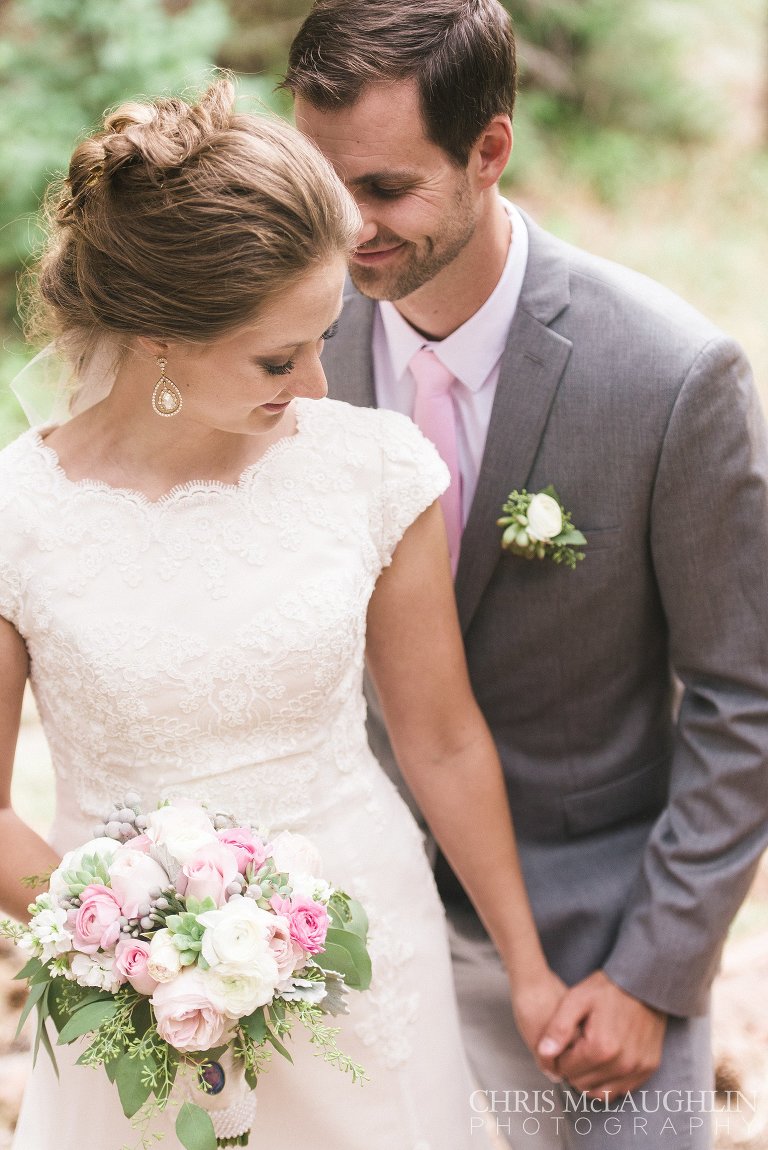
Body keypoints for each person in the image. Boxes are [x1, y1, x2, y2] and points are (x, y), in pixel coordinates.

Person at [0, 79, 568, 1150]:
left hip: (363, 950)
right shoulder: (16, 516)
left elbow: (441, 739)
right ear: (161, 336)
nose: (315, 385)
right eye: (278, 356)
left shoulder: (369, 470)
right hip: (131, 1000)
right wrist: (139, 947)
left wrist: (527, 969)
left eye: (325, 338)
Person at [282, 2, 768, 1146]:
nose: (347, 233)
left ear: (490, 149)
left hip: (595, 938)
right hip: (348, 914)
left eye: (387, 190)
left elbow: (746, 699)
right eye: (321, 183)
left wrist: (657, 972)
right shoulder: (288, 340)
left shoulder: (674, 377)